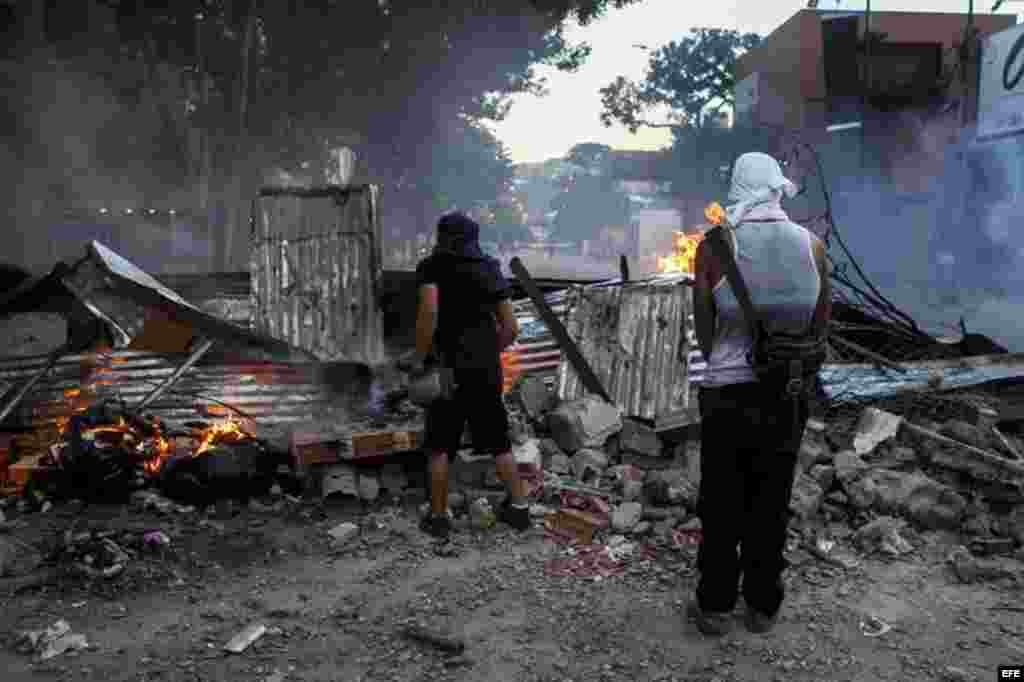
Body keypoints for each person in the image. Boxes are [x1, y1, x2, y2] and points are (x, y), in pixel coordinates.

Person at [690, 152, 832, 635]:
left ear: (737, 185)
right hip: (786, 394)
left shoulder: (714, 247)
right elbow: (819, 328)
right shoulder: (813, 247)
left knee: (721, 500)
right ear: (777, 187)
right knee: (771, 500)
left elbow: (705, 337)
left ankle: (714, 606)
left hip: (727, 393)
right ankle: (762, 607)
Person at [402, 211, 531, 538]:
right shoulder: (489, 268)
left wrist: (418, 358)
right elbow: (511, 328)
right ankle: (519, 508)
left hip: (447, 370)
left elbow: (429, 313)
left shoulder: (433, 267)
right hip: (486, 370)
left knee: (440, 444)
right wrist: (487, 352)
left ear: (442, 237)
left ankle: (440, 517)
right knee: (498, 440)